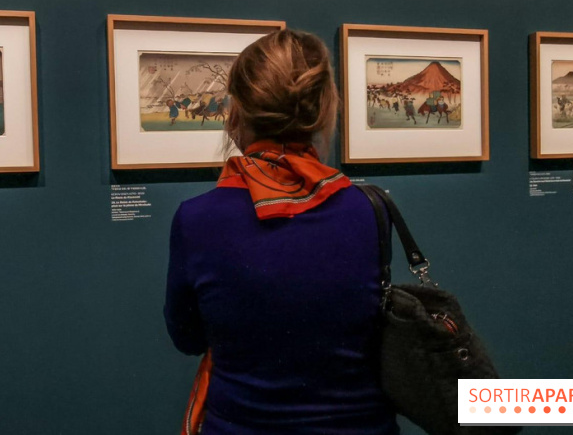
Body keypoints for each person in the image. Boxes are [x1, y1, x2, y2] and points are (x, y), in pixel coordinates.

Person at [164, 30, 398, 435]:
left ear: (236, 109)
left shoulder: (196, 219)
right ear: (325, 108)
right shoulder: (368, 209)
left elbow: (187, 338)